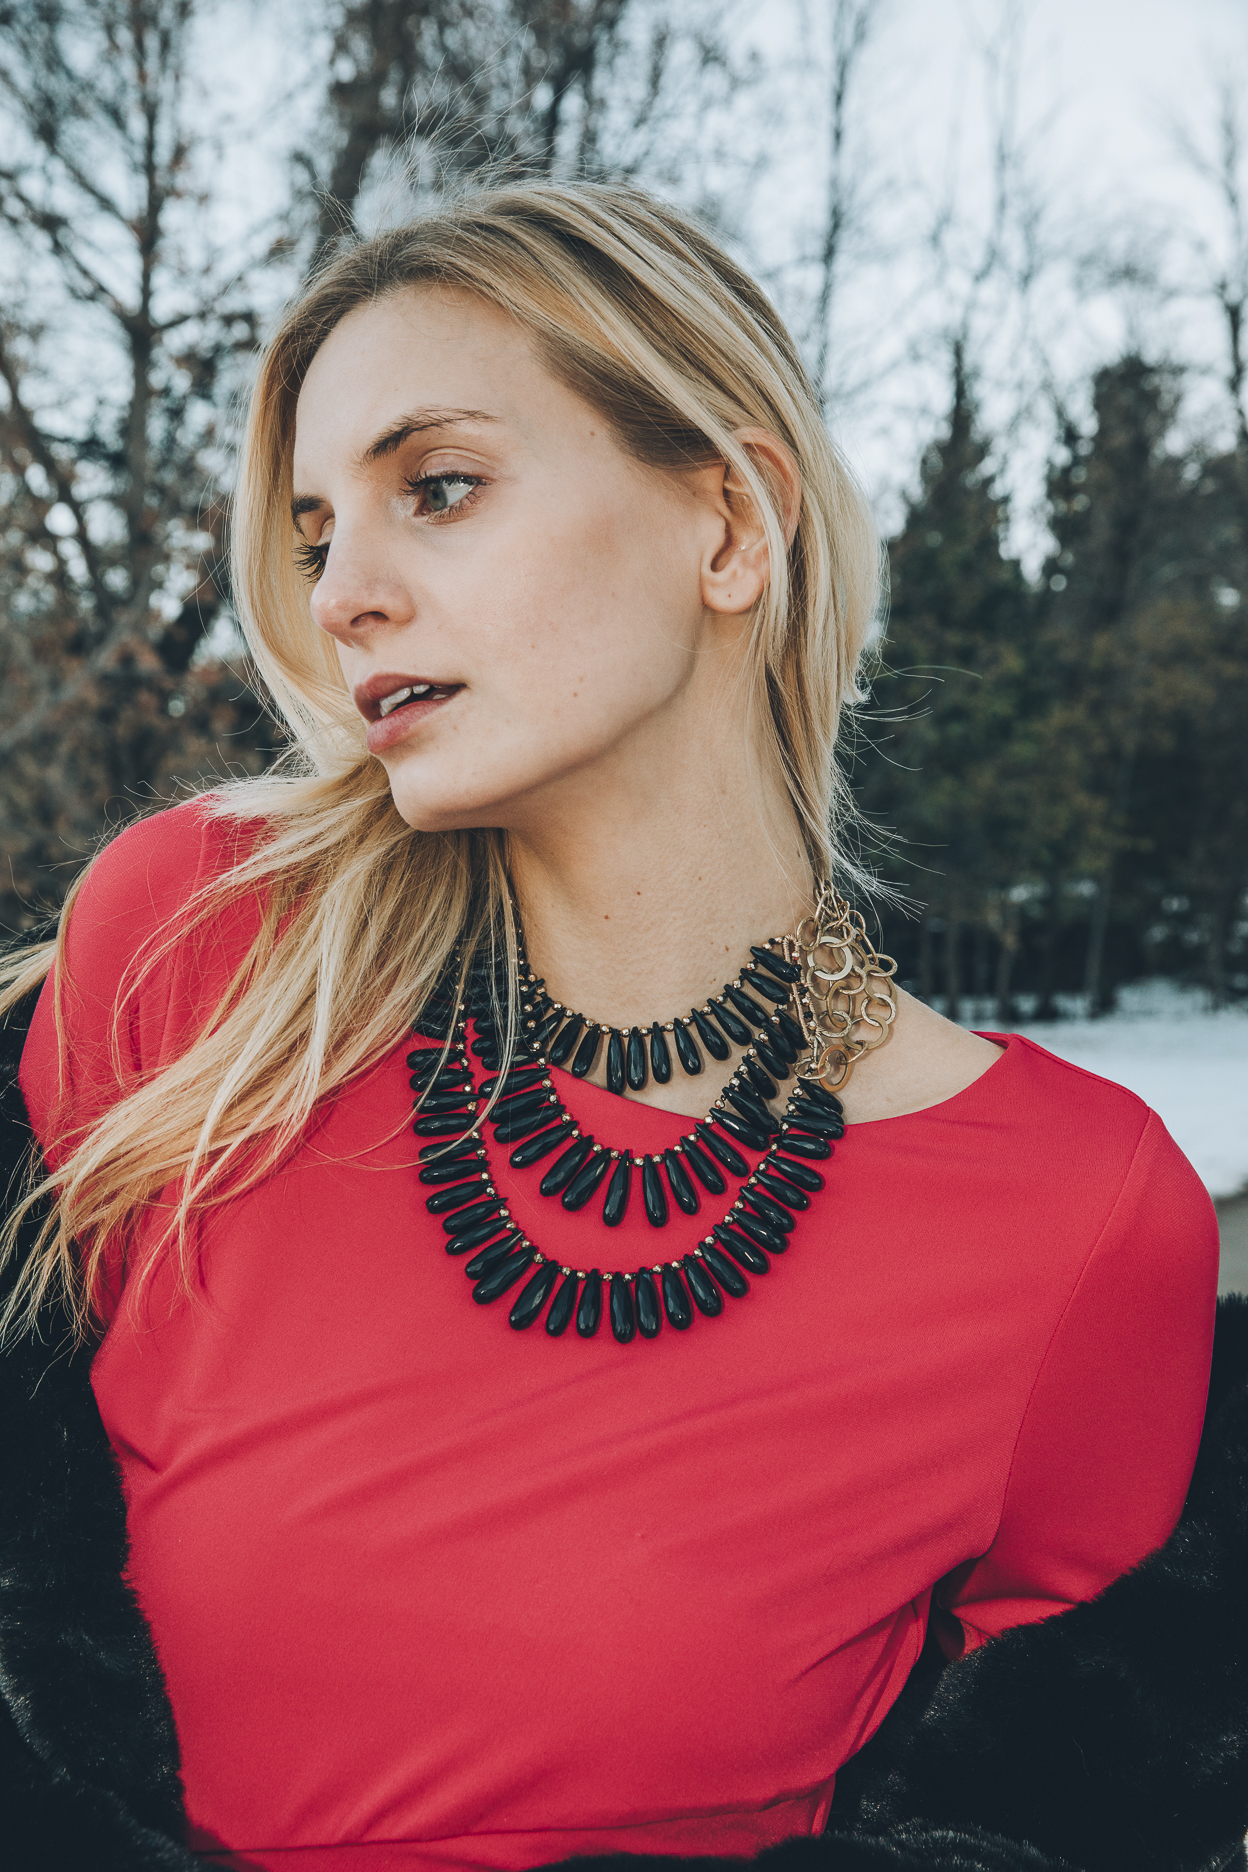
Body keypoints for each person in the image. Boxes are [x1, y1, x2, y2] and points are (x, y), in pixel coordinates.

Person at [0, 181, 1218, 1872]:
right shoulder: (201, 949)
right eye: (312, 535)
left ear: (729, 526)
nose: (343, 590)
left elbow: (1057, 1805)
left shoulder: (1086, 1221)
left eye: (436, 487)